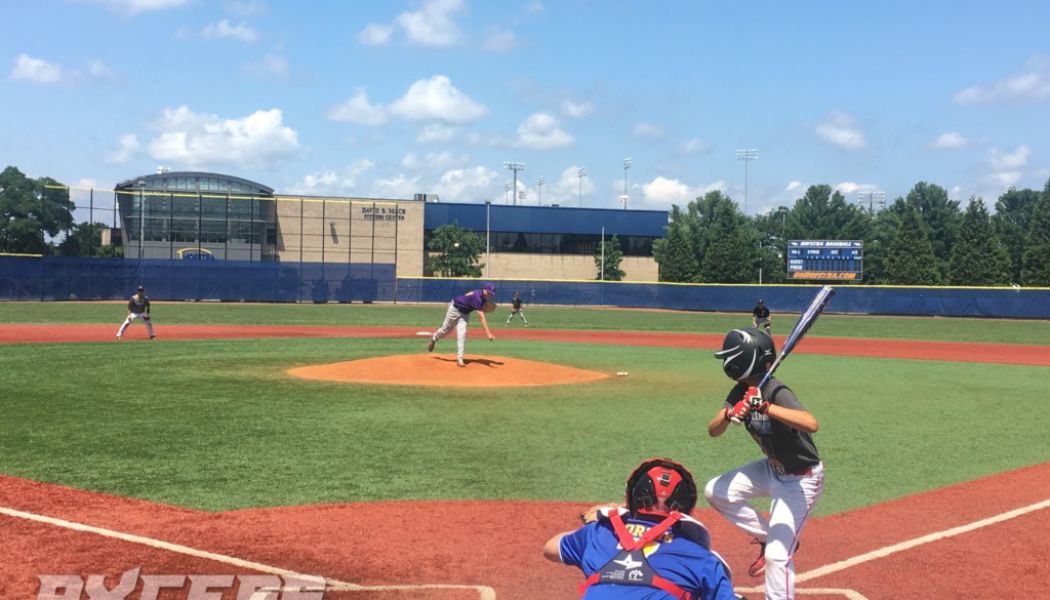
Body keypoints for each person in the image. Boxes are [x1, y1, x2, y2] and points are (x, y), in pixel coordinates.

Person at [704, 328, 824, 600]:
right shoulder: (740, 390)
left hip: (801, 478)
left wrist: (765, 406)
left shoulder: (775, 390)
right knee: (716, 491)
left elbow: (811, 423)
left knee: (777, 557)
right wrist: (728, 413)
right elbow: (713, 430)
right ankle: (769, 535)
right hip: (772, 468)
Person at [544, 458, 742, 600]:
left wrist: (591, 524)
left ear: (631, 498)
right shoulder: (700, 557)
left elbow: (550, 548)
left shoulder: (597, 533)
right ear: (685, 507)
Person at [427, 283, 496, 367]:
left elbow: (469, 294)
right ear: (484, 289)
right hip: (454, 309)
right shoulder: (477, 298)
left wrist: (467, 298)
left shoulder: (481, 295)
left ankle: (460, 359)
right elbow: (481, 317)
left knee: (462, 334)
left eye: (491, 293)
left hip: (465, 314)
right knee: (446, 330)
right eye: (488, 292)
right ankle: (434, 338)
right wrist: (488, 333)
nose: (489, 295)